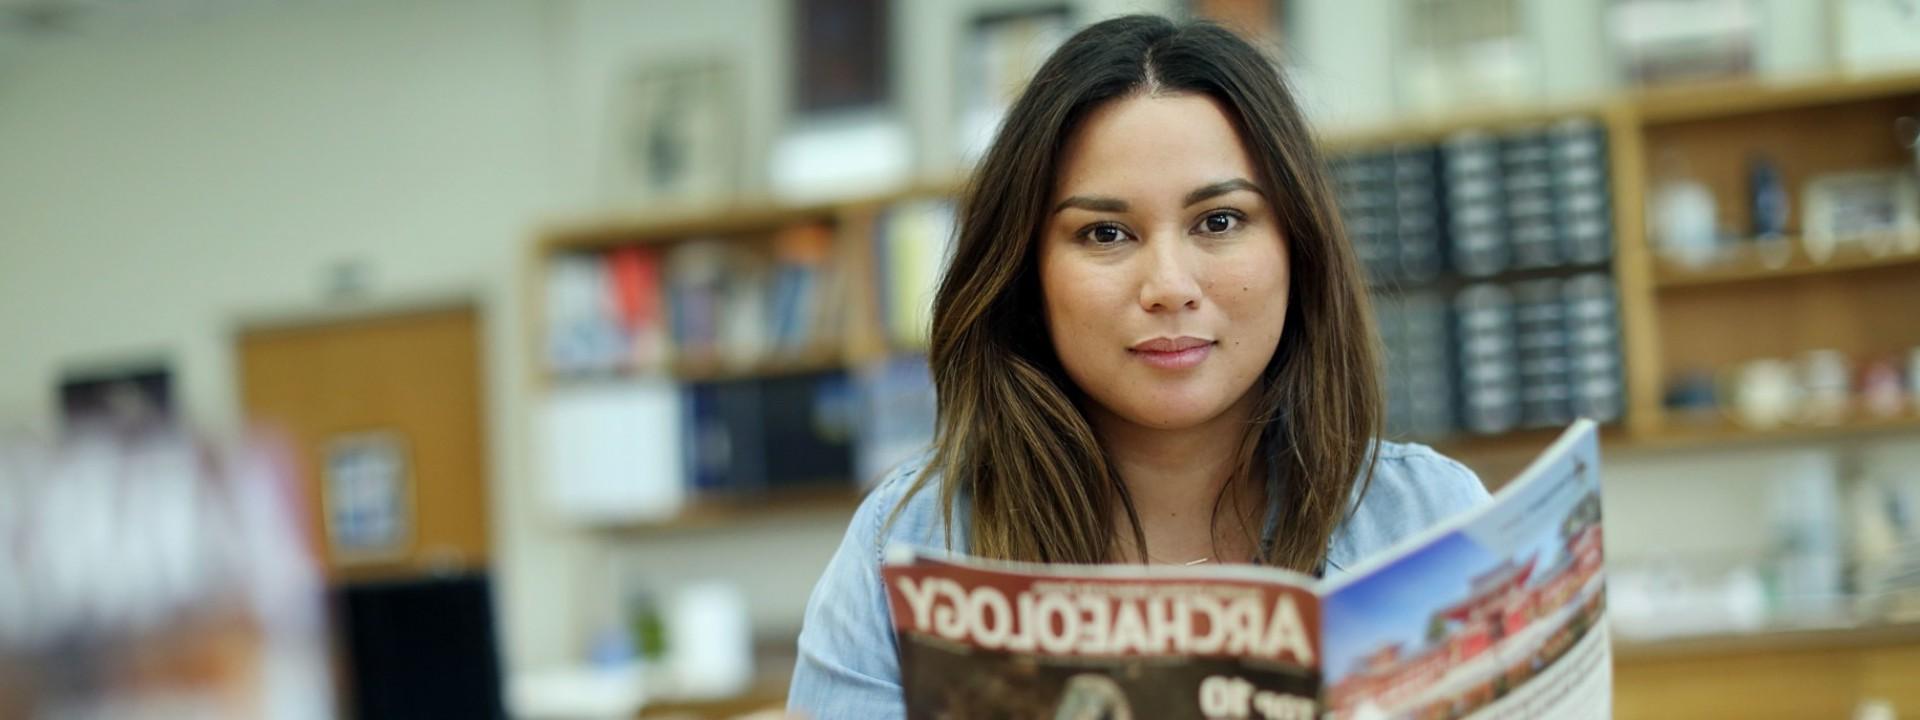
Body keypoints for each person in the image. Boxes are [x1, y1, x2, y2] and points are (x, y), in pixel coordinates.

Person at [787, 14, 1488, 718]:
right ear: (1029, 273)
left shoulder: (1430, 518)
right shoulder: (910, 543)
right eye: (1105, 233)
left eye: (1219, 221)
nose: (1169, 285)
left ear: (1297, 245)